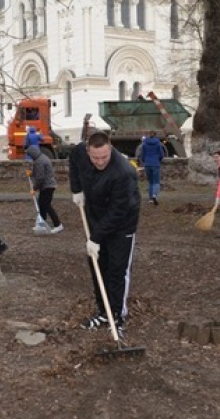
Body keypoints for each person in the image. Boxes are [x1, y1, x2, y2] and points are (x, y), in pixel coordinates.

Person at [69, 131, 141, 337]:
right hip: (95, 217)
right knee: (98, 267)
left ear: (110, 149)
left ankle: (117, 316)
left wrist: (95, 238)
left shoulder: (123, 172)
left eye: (104, 157)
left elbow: (118, 212)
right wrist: (77, 190)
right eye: (95, 157)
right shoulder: (79, 153)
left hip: (122, 224)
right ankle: (103, 312)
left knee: (117, 271)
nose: (100, 161)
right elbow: (73, 162)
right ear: (88, 151)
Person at [26, 145, 63, 234]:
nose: (30, 157)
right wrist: (31, 173)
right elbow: (40, 172)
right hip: (48, 185)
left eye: (30, 155)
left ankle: (58, 225)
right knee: (41, 204)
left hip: (48, 186)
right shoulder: (42, 158)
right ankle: (41, 224)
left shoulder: (39, 161)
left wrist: (34, 189)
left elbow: (40, 178)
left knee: (46, 205)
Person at [140, 132, 167, 205]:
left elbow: (142, 154)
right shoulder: (158, 144)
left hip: (147, 164)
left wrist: (144, 161)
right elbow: (161, 154)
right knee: (156, 182)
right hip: (155, 164)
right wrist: (159, 160)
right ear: (155, 135)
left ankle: (150, 199)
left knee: (150, 182)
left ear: (148, 135)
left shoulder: (144, 144)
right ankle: (154, 195)